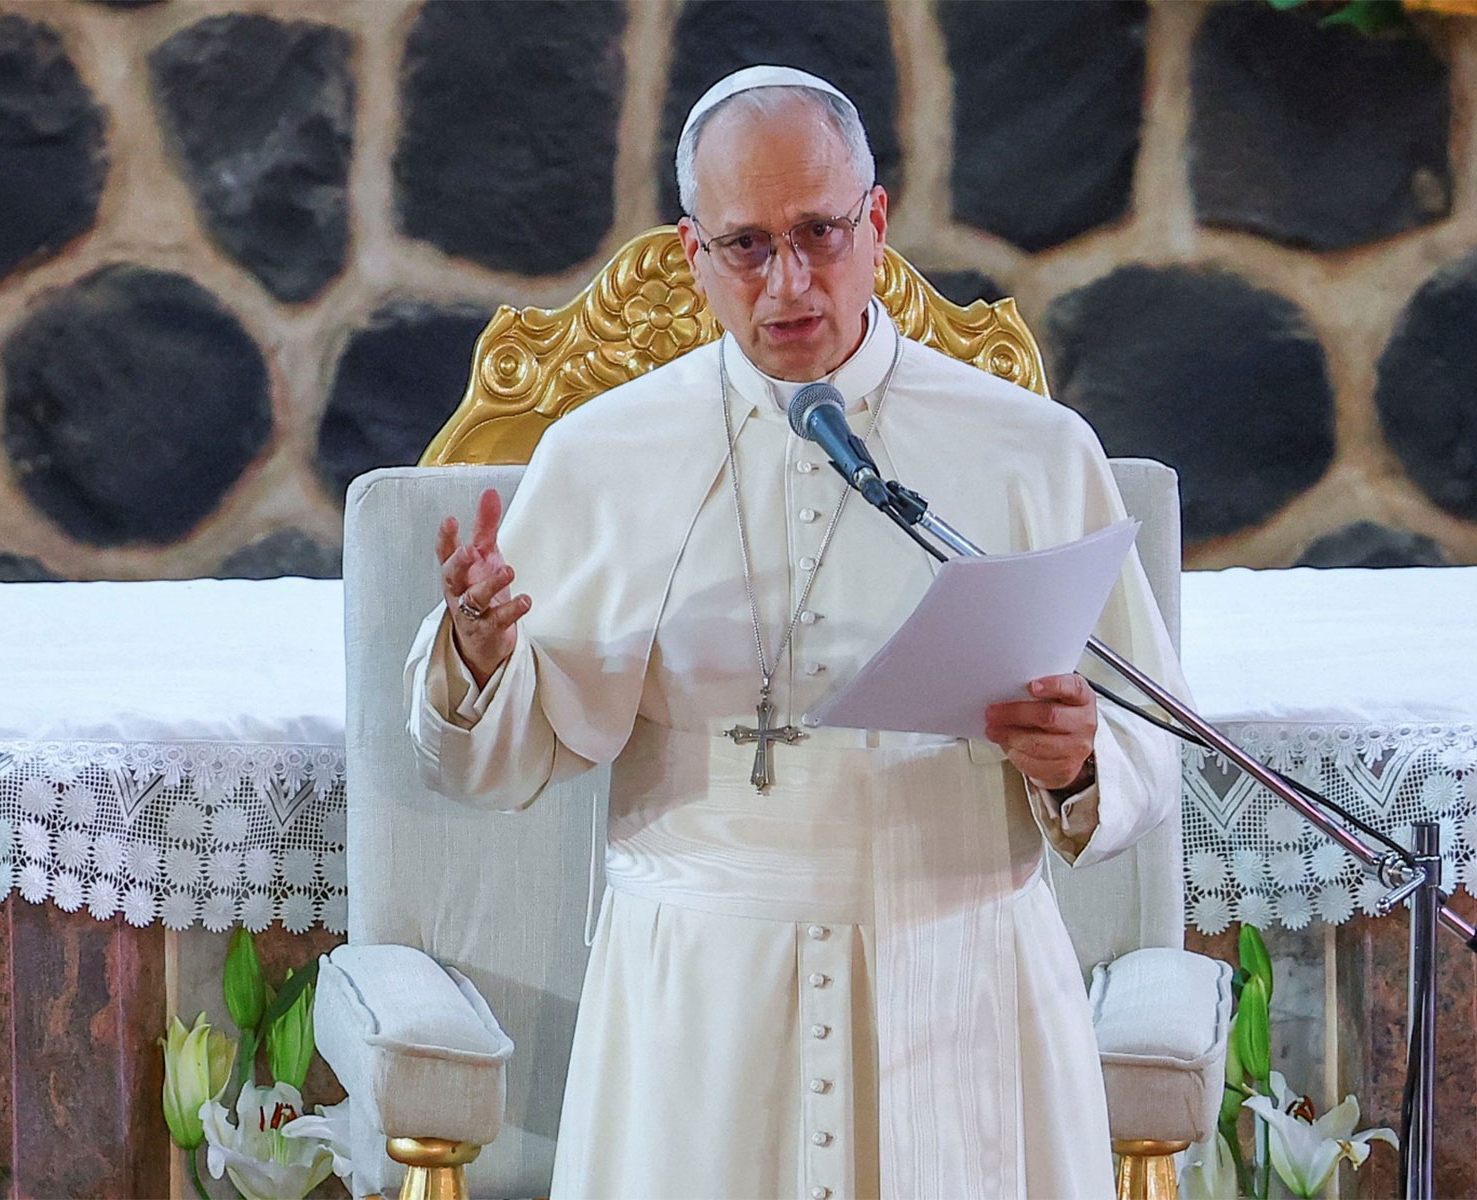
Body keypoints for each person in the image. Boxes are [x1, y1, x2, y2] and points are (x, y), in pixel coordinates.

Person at [406, 65, 1186, 1200]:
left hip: (957, 972)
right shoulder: (602, 454)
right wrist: (477, 654)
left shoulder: (1033, 450)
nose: (788, 282)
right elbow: (498, 760)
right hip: (700, 1002)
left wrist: (1077, 767)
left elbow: (1144, 745)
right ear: (692, 255)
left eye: (819, 232)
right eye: (746, 245)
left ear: (874, 223)